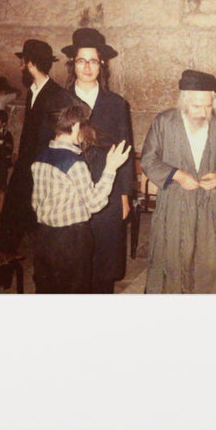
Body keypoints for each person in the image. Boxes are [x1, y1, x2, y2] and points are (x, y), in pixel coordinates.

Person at [140, 70, 216, 294]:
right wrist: (175, 174)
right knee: (171, 262)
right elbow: (148, 160)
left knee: (208, 266)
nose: (203, 112)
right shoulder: (164, 122)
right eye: (197, 106)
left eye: (207, 106)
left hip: (208, 207)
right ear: (184, 102)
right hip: (173, 204)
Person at [61, 28, 134, 294]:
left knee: (104, 260)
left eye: (93, 61)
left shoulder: (116, 104)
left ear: (101, 64)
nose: (87, 66)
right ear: (73, 64)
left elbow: (124, 148)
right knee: (73, 259)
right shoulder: (60, 100)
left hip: (108, 188)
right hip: (70, 190)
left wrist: (125, 195)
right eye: (82, 60)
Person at [30, 103, 130, 294]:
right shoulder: (74, 163)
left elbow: (36, 202)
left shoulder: (41, 157)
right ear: (75, 126)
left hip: (44, 236)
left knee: (47, 288)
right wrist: (110, 168)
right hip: (72, 239)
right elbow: (94, 203)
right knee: (75, 289)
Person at [0, 39, 74, 259]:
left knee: (35, 223)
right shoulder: (33, 91)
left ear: (29, 62)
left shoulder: (56, 94)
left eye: (22, 61)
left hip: (43, 167)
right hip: (26, 164)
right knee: (12, 216)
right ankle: (3, 269)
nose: (20, 66)